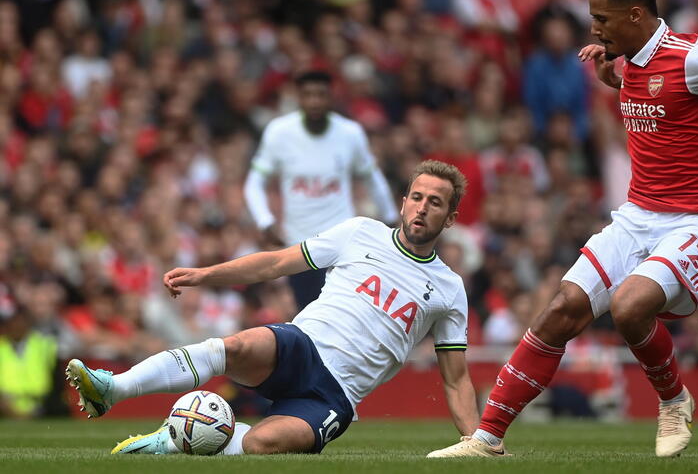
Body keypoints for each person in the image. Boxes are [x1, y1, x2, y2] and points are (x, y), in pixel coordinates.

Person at [428, 0, 698, 459]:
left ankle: (674, 400)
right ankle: (486, 439)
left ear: (637, 14)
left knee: (630, 306)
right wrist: (614, 77)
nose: (594, 28)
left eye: (601, 18)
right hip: (637, 216)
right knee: (560, 309)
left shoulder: (695, 56)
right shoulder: (627, 58)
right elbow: (658, 100)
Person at [66, 160, 479, 455]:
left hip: (336, 396)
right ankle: (112, 389)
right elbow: (277, 262)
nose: (423, 208)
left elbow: (457, 379)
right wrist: (205, 274)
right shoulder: (360, 232)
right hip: (301, 346)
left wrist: (475, 442)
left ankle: (171, 442)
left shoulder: (448, 289)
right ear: (403, 201)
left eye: (436, 203)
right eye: (417, 197)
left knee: (264, 444)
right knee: (233, 347)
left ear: (451, 218)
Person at [243, 70, 399, 310]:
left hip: (343, 244)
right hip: (300, 246)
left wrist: (390, 219)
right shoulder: (279, 133)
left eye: (320, 95)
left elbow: (373, 178)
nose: (314, 101)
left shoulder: (350, 134)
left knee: (347, 314)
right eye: (308, 95)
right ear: (298, 98)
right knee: (308, 317)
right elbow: (254, 182)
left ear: (331, 97)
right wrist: (264, 221)